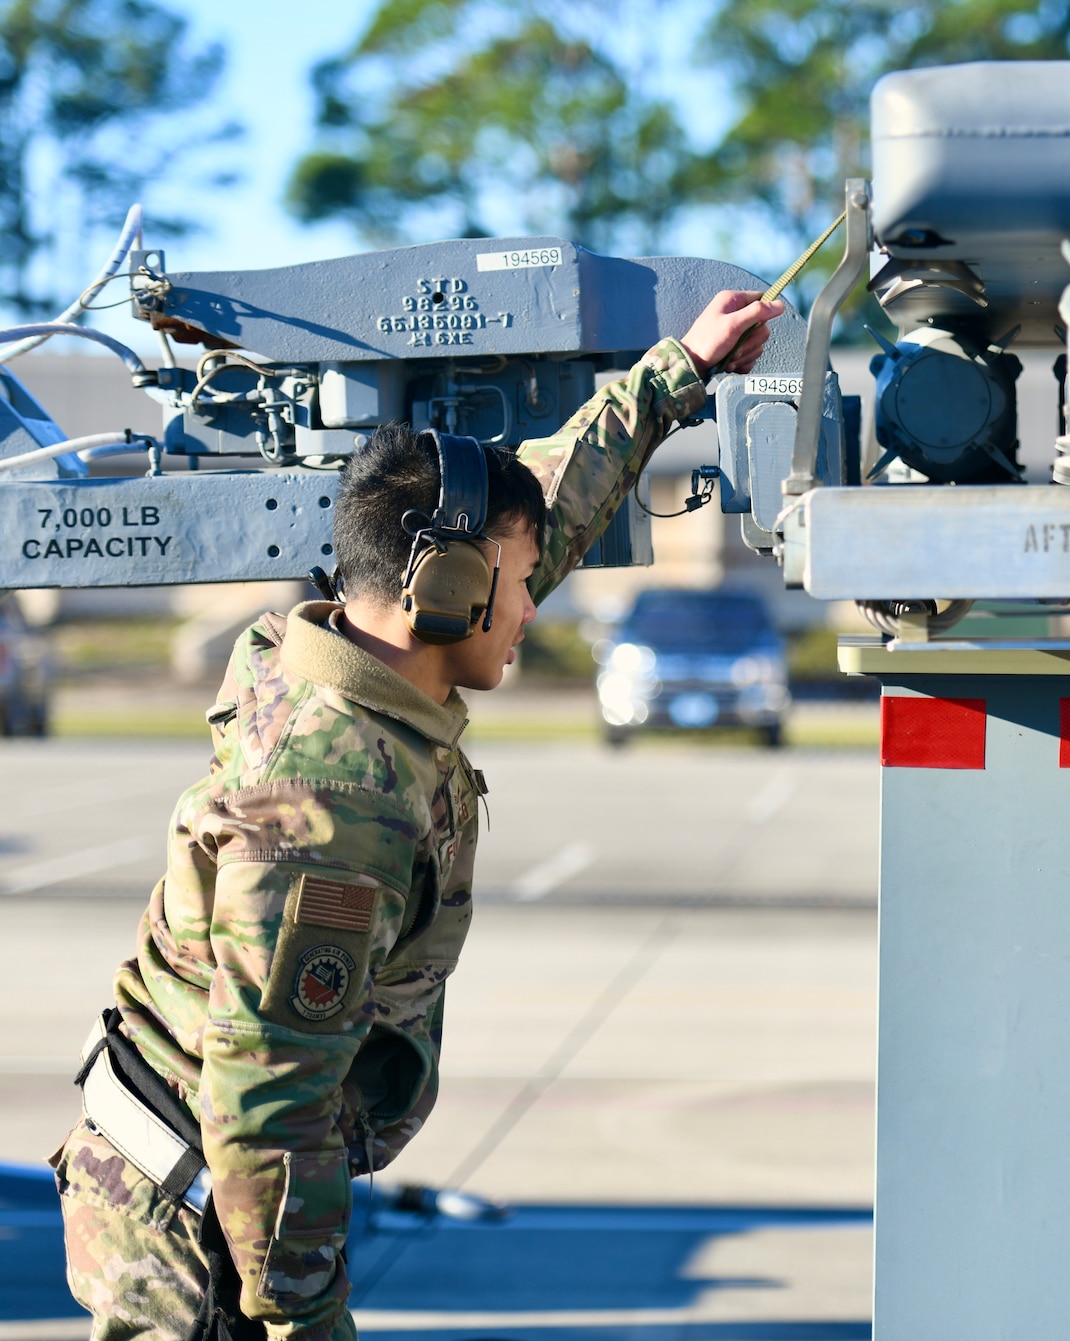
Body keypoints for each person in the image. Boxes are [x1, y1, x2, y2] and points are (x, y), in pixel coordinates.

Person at [53, 289, 785, 1341]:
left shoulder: (343, 656)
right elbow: (268, 1106)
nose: (536, 608)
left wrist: (678, 373)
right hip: (203, 1230)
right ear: (442, 585)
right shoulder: (329, 805)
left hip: (205, 1181)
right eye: (521, 583)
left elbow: (550, 510)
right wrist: (305, 1322)